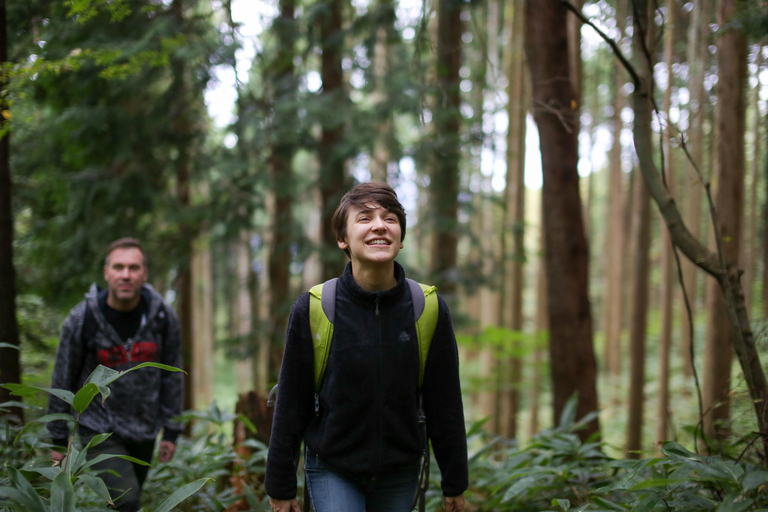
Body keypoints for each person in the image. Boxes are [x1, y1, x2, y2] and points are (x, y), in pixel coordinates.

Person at [266, 182, 468, 512]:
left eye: (389, 218)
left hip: (399, 471)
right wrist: (280, 484)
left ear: (400, 238)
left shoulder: (427, 308)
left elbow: (444, 402)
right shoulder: (315, 307)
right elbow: (292, 401)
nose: (379, 225)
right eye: (364, 218)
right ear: (342, 239)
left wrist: (455, 481)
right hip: (332, 467)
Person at [47, 238, 184, 512]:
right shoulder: (82, 319)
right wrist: (58, 439)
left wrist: (171, 429)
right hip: (98, 429)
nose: (125, 275)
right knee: (127, 499)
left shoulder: (162, 317)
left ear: (144, 274)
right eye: (118, 267)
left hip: (145, 429)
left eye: (133, 268)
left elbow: (173, 374)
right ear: (106, 272)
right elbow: (62, 377)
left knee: (122, 505)